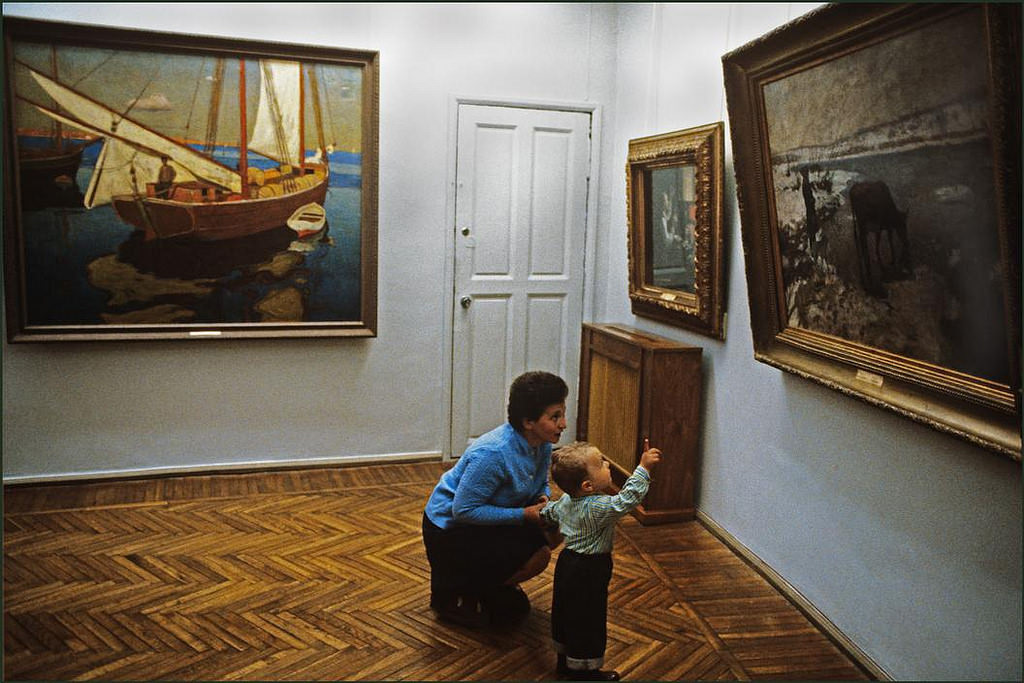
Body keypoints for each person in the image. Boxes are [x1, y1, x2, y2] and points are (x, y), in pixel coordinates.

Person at [422, 370, 568, 628]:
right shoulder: (493, 453)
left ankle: (485, 584)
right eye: (555, 416)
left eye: (562, 414)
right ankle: (462, 590)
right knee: (539, 555)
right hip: (448, 530)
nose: (563, 424)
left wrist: (543, 498)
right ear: (528, 422)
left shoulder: (542, 443)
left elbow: (539, 481)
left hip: (484, 518)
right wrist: (525, 515)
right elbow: (463, 511)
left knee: (555, 532)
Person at [540, 440, 662, 681]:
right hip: (590, 569)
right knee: (589, 617)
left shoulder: (566, 500)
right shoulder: (598, 507)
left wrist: (543, 512)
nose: (607, 464)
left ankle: (565, 662)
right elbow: (628, 498)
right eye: (601, 463)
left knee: (566, 613)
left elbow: (549, 513)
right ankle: (586, 672)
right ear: (587, 485)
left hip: (567, 564)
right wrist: (643, 469)